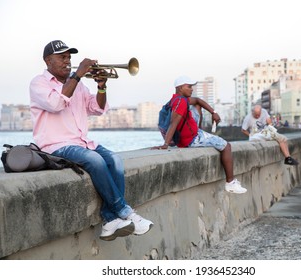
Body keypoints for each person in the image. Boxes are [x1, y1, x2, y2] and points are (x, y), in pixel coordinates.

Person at [29, 40, 153, 241]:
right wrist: (78, 74)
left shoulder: (77, 84)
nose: (67, 61)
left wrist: (102, 87)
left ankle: (110, 220)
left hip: (81, 142)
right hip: (55, 145)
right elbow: (56, 103)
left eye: (69, 57)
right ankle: (126, 213)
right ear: (48, 60)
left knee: (115, 160)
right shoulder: (39, 83)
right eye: (62, 57)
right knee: (95, 161)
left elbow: (96, 108)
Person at [152, 76, 247, 194]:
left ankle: (199, 130)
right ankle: (230, 183)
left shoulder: (177, 99)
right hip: (191, 139)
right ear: (180, 87)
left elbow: (197, 101)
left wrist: (213, 112)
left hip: (191, 131)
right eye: (189, 86)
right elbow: (173, 123)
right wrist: (166, 144)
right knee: (226, 146)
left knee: (197, 105)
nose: (192, 89)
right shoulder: (181, 102)